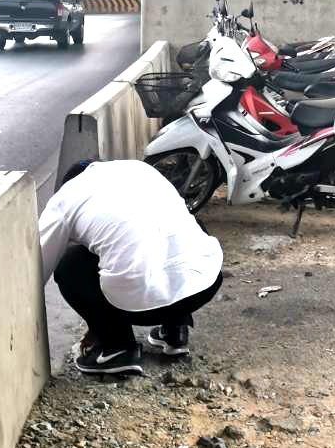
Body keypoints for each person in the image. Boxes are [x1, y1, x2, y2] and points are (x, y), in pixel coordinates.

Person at [39, 158, 223, 376]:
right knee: (181, 231)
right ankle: (175, 330)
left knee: (70, 264)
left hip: (139, 306)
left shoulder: (65, 198)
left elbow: (38, 265)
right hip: (204, 285)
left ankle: (116, 347)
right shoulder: (140, 169)